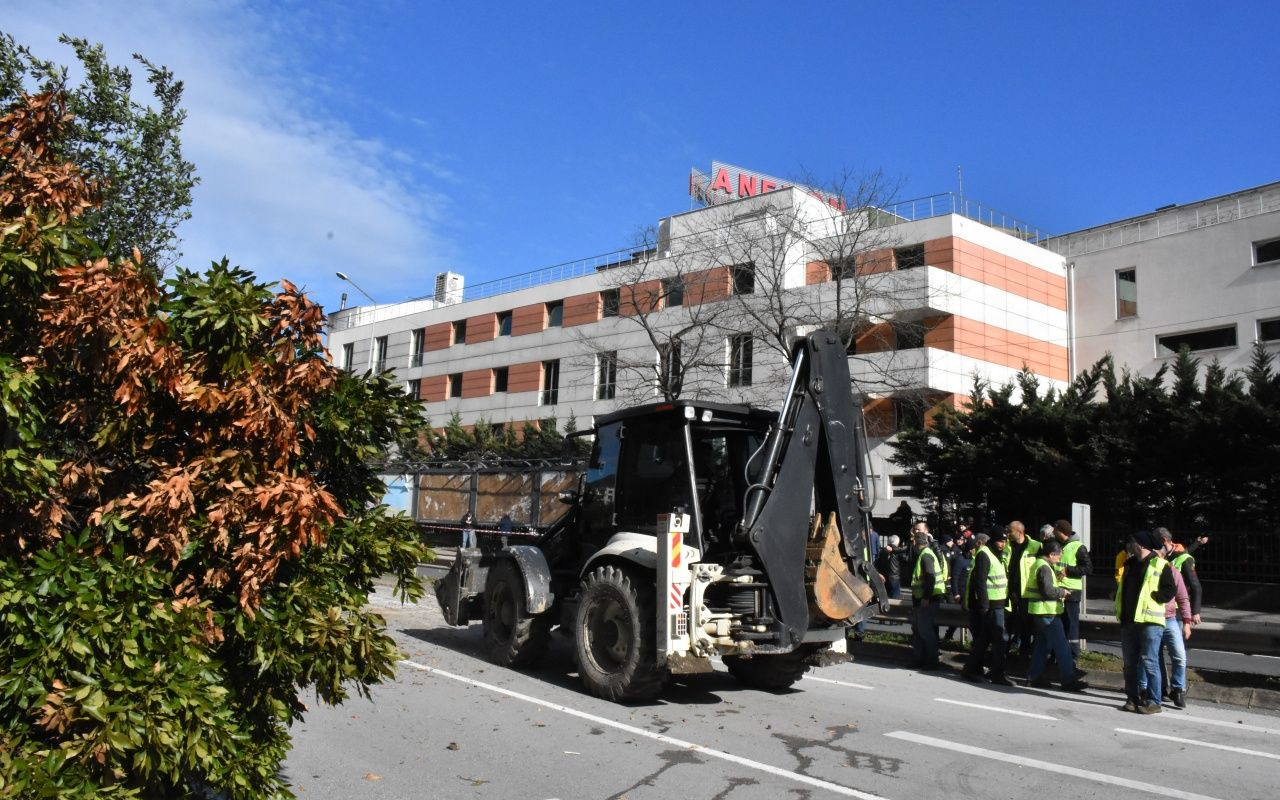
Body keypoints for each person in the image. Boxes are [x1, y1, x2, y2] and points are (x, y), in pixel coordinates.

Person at [1116, 529, 1177, 713]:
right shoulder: (1129, 564)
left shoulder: (1160, 565)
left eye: (1131, 542)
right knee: (1129, 664)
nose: (1129, 546)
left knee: (1150, 662)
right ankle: (1132, 698)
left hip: (1150, 621)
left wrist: (1156, 596)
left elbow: (1170, 590)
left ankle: (1154, 701)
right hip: (1129, 621)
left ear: (1140, 545)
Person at [1024, 539, 1088, 691]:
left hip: (1040, 611)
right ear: (1051, 554)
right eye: (1058, 556)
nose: (1059, 559)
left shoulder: (1040, 564)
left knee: (1042, 646)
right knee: (1062, 647)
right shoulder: (1044, 567)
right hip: (1047, 613)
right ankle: (1068, 680)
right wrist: (1062, 592)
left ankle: (1033, 677)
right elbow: (1047, 591)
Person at [962, 531, 1011, 685]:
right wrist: (984, 607)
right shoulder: (985, 554)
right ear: (993, 541)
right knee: (998, 640)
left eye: (1004, 541)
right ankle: (996, 674)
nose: (1003, 544)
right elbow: (980, 582)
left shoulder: (996, 554)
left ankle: (972, 670)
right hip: (990, 605)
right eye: (1000, 541)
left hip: (998, 604)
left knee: (985, 640)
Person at [1157, 529, 1195, 708]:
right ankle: (1161, 688)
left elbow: (1184, 596)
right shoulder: (1147, 567)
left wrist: (1187, 622)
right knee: (1155, 657)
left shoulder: (1175, 566)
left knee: (1179, 656)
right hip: (1152, 618)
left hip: (1172, 617)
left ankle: (1178, 689)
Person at [1002, 520, 1041, 660]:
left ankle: (1025, 654)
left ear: (1019, 532)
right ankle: (1004, 655)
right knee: (1007, 625)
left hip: (1026, 593)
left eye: (1010, 531)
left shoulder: (1035, 546)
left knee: (1027, 626)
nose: (1007, 534)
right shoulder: (1006, 546)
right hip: (1009, 592)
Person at [1054, 519, 1092, 657]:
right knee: (1060, 625)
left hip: (1072, 592)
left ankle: (1073, 655)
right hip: (1058, 591)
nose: (1053, 532)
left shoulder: (1078, 547)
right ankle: (1059, 655)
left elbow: (1088, 568)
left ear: (1061, 531)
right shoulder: (1057, 544)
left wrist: (1068, 570)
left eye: (1055, 529)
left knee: (1071, 625)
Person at [910, 529, 947, 670]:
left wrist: (926, 597)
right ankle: (921, 660)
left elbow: (930, 578)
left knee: (925, 631)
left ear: (915, 542)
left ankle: (931, 661)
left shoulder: (925, 556)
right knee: (920, 631)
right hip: (924, 599)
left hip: (928, 599)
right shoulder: (925, 554)